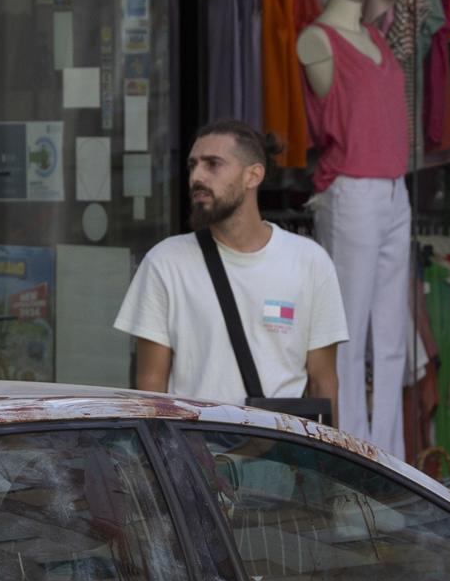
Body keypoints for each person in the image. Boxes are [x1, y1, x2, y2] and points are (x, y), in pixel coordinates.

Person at [114, 120, 347, 425]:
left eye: (213, 164)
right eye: (193, 165)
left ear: (253, 175)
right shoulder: (165, 262)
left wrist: (327, 467)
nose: (196, 176)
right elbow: (150, 389)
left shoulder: (310, 262)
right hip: (193, 455)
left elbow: (324, 383)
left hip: (279, 457)